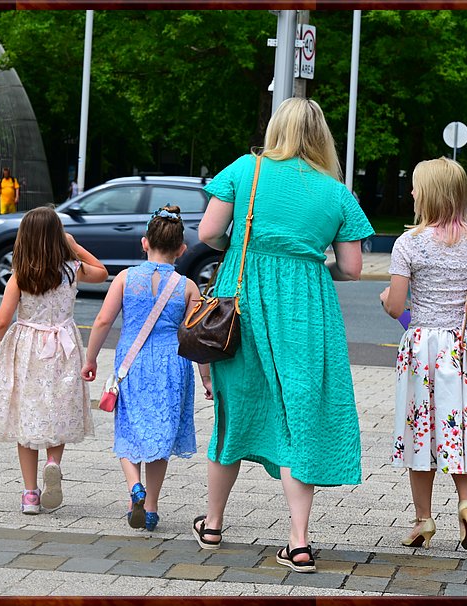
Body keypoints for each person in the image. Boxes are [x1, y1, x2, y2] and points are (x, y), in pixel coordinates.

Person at [194, 98, 374, 572]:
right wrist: (306, 264)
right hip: (306, 306)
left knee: (234, 412)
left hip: (242, 299)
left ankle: (212, 525)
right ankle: (298, 541)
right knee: (299, 413)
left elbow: (208, 231)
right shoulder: (335, 192)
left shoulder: (246, 169)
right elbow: (353, 269)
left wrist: (241, 248)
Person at [379, 157, 467, 551]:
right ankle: (466, 504)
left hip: (423, 350)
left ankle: (423, 520)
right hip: (465, 348)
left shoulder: (408, 243)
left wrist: (386, 299)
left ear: (428, 194)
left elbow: (398, 306)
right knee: (459, 429)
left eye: (416, 187)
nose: (412, 192)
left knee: (423, 434)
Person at [0, 206, 108, 515]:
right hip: (64, 349)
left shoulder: (21, 275)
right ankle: (53, 463)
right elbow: (101, 272)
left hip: (28, 351)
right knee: (57, 413)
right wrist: (74, 246)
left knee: (27, 419)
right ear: (59, 237)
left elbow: (1, 321)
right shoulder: (72, 269)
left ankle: (30, 494)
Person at [81, 206, 212, 531]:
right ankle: (150, 508)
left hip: (133, 362)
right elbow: (197, 338)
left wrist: (91, 359)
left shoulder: (126, 278)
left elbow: (103, 321)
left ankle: (133, 488)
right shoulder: (187, 287)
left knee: (129, 426)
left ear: (144, 243)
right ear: (181, 250)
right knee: (160, 435)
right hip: (172, 364)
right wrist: (207, 379)